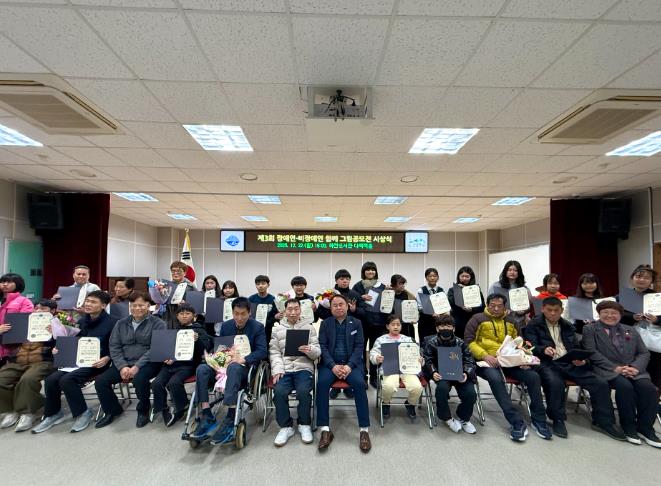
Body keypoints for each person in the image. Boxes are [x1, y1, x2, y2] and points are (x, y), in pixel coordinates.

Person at [523, 297, 625, 440]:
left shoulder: (568, 326)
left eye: (556, 310)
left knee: (599, 383)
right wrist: (543, 349)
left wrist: (581, 359)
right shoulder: (533, 325)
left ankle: (604, 421)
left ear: (562, 310)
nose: (552, 313)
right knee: (555, 383)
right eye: (549, 310)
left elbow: (576, 347)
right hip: (546, 363)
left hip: (568, 362)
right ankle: (557, 419)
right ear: (542, 309)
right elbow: (528, 346)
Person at [464, 293, 552, 441]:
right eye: (492, 306)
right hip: (486, 361)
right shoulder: (477, 319)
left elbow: (519, 343)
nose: (496, 309)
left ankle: (539, 420)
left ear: (505, 307)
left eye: (499, 306)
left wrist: (522, 358)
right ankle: (516, 422)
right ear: (487, 305)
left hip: (510, 361)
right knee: (496, 379)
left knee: (533, 377)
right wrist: (485, 355)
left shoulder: (511, 321)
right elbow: (469, 341)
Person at [33, 292, 117, 434]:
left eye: (93, 302)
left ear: (103, 305)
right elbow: (73, 340)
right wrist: (58, 347)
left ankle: (83, 413)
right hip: (77, 360)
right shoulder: (82, 321)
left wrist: (108, 357)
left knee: (67, 380)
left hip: (97, 362)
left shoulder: (113, 322)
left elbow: (117, 344)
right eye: (87, 301)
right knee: (51, 380)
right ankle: (53, 413)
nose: (88, 304)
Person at [582, 301, 661, 447]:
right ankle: (628, 425)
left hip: (633, 370)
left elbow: (644, 353)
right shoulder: (590, 329)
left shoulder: (630, 329)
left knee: (650, 389)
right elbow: (591, 352)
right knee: (625, 387)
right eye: (605, 312)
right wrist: (615, 368)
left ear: (620, 315)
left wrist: (634, 367)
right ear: (599, 314)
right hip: (606, 369)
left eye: (614, 313)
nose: (610, 315)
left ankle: (645, 428)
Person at [192, 297, 267, 445]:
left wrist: (243, 359)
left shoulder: (257, 327)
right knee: (202, 369)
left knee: (233, 367)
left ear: (249, 313)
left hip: (244, 368)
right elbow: (220, 347)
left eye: (243, 314)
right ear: (232, 313)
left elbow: (262, 351)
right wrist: (214, 357)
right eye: (236, 314)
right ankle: (206, 413)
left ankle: (231, 415)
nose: (239, 318)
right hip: (223, 365)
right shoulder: (226, 326)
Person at [94, 291, 165, 429]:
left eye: (141, 305)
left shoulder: (158, 323)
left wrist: (137, 366)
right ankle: (112, 410)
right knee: (101, 381)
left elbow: (156, 348)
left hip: (148, 363)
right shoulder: (121, 323)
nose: (137, 308)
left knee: (139, 379)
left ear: (148, 306)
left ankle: (143, 410)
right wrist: (122, 366)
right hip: (124, 362)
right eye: (133, 305)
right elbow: (114, 346)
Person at [316, 294, 371, 453]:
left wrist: (349, 366)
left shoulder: (357, 323)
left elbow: (360, 347)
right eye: (335, 305)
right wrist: (332, 366)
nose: (338, 307)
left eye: (341, 304)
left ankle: (364, 430)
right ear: (330, 308)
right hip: (330, 365)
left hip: (351, 365)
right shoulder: (325, 324)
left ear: (347, 306)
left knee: (360, 384)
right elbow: (322, 346)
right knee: (322, 384)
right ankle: (325, 430)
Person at [269, 298, 320, 447]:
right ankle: (286, 427)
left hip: (303, 367)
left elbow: (318, 351)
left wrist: (310, 350)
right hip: (284, 369)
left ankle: (304, 424)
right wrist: (278, 369)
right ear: (284, 311)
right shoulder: (277, 329)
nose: (293, 312)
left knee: (303, 391)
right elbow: (274, 352)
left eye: (296, 309)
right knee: (279, 392)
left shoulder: (309, 327)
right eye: (289, 309)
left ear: (300, 310)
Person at [151, 304, 212, 428]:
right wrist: (166, 357)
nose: (184, 316)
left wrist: (197, 341)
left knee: (173, 383)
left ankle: (182, 406)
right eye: (181, 314)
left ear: (194, 316)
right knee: (156, 383)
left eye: (187, 313)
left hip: (187, 365)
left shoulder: (199, 330)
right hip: (169, 365)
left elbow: (205, 349)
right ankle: (163, 408)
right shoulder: (172, 330)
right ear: (177, 316)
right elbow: (165, 348)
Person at [0, 297, 53, 431]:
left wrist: (55, 334)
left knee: (27, 380)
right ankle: (9, 410)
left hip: (42, 362)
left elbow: (63, 346)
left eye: (43, 308)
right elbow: (8, 345)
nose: (38, 311)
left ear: (53, 311)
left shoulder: (57, 324)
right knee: (1, 379)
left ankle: (27, 412)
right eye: (36, 308)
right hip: (18, 361)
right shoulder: (21, 322)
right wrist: (3, 333)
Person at [422, 315, 477, 434]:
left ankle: (463, 417)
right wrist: (433, 372)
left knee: (471, 394)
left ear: (454, 328)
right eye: (442, 326)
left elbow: (469, 360)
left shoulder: (461, 343)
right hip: (441, 374)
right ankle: (447, 418)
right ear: (437, 328)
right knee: (441, 390)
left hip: (459, 373)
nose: (445, 328)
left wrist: (466, 373)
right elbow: (427, 360)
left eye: (448, 326)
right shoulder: (431, 342)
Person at [618, 265, 661, 415]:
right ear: (632, 278)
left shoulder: (657, 298)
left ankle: (651, 407)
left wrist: (656, 320)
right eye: (638, 276)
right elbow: (613, 317)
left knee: (654, 375)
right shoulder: (622, 297)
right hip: (629, 342)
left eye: (646, 277)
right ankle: (632, 406)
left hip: (654, 344)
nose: (642, 279)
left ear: (652, 281)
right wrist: (632, 317)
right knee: (632, 374)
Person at [369, 315, 423, 420]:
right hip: (389, 369)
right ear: (387, 326)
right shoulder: (381, 340)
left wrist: (420, 360)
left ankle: (410, 404)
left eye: (398, 324)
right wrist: (376, 358)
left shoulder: (408, 339)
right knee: (388, 386)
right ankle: (386, 403)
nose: (396, 327)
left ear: (401, 326)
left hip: (407, 370)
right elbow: (373, 353)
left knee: (417, 387)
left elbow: (418, 354)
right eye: (393, 324)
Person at [353, 262, 388, 388]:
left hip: (379, 323)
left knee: (375, 351)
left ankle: (374, 377)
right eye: (367, 270)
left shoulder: (382, 286)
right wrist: (361, 297)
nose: (370, 272)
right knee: (361, 350)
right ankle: (363, 376)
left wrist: (389, 293)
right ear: (363, 272)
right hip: (362, 323)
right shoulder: (358, 286)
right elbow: (352, 303)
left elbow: (387, 304)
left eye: (373, 269)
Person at [488, 260, 533, 332]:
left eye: (515, 270)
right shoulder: (495, 286)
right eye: (509, 270)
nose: (512, 272)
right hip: (500, 323)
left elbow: (529, 306)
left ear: (519, 273)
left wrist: (524, 311)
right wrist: (501, 311)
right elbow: (489, 304)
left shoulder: (524, 288)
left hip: (519, 324)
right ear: (505, 271)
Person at [0, 273, 35, 365]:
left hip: (11, 346)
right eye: (3, 282)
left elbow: (23, 324)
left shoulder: (24, 301)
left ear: (18, 284)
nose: (5, 284)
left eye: (9, 282)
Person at [447, 266, 485, 340]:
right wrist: (459, 290)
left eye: (467, 276)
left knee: (471, 342)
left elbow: (482, 306)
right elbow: (451, 303)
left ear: (471, 277)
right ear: (458, 277)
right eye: (462, 276)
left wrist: (472, 309)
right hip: (457, 322)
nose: (464, 278)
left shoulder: (476, 289)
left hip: (472, 321)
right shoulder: (452, 290)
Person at [159, 261, 197, 329]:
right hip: (169, 317)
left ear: (184, 273)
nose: (175, 273)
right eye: (173, 271)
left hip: (183, 318)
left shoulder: (190, 286)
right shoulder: (167, 286)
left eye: (179, 271)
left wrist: (185, 304)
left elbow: (196, 305)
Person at [416, 267, 446, 344]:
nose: (432, 278)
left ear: (438, 278)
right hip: (425, 322)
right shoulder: (421, 290)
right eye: (430, 276)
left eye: (435, 276)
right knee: (424, 343)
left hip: (438, 322)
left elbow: (444, 306)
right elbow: (419, 307)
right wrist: (431, 313)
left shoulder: (441, 290)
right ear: (426, 278)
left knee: (438, 343)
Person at [248, 275, 278, 342]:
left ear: (268, 285)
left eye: (263, 283)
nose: (260, 286)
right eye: (258, 284)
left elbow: (275, 316)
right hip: (254, 329)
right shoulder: (251, 299)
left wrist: (275, 317)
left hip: (269, 330)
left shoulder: (273, 299)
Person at [391, 274, 417, 339]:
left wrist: (414, 318)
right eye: (400, 284)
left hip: (407, 326)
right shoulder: (388, 295)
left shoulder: (407, 295)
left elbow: (414, 308)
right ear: (393, 284)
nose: (402, 285)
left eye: (403, 283)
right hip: (393, 325)